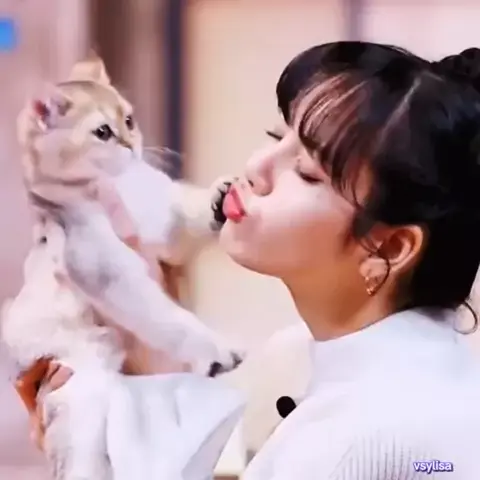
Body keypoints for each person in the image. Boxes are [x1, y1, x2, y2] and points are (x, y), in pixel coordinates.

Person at [15, 41, 480, 478]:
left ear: (390, 248)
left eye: (306, 172)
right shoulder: (313, 357)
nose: (257, 168)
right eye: (276, 136)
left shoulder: (361, 433)